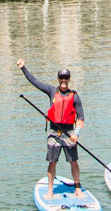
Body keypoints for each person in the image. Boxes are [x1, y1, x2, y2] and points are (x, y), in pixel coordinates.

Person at [17, 59, 84, 199]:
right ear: (58, 79)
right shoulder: (51, 91)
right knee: (52, 162)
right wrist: (23, 68)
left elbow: (81, 117)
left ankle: (77, 188)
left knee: (73, 162)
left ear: (69, 79)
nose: (64, 80)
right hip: (54, 132)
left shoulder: (75, 96)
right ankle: (50, 190)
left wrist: (76, 134)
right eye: (61, 78)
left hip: (69, 132)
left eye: (66, 78)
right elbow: (35, 81)